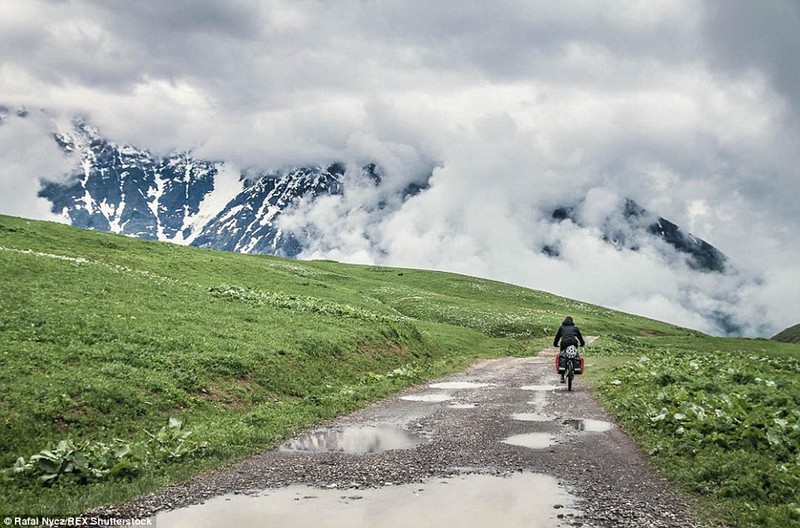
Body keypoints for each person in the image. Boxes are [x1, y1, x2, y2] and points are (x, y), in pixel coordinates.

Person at [553, 316, 585, 383]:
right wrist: (582, 343)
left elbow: (557, 336)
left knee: (562, 355)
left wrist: (555, 343)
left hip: (564, 343)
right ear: (572, 321)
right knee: (575, 354)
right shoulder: (575, 328)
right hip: (573, 342)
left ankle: (562, 376)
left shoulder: (562, 327)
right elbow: (580, 337)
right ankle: (575, 367)